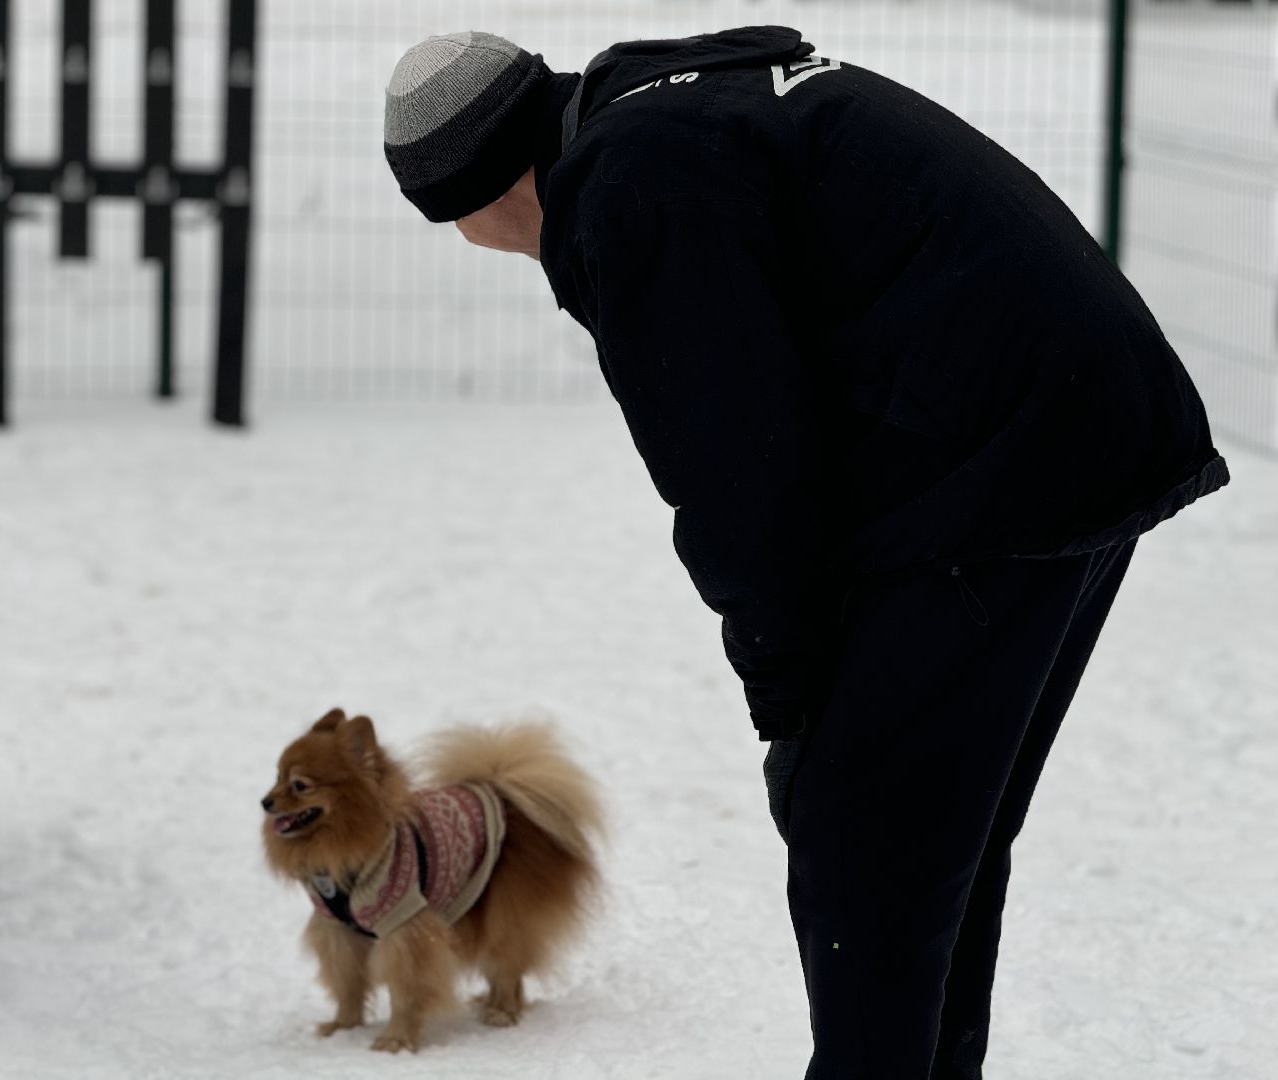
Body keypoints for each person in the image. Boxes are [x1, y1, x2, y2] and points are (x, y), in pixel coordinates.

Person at [381, 25, 1229, 1079]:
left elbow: (738, 469)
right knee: (923, 852)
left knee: (867, 854)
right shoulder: (676, 114)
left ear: (474, 194)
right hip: (1075, 425)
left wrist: (789, 693)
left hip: (1005, 467)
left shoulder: (633, 182)